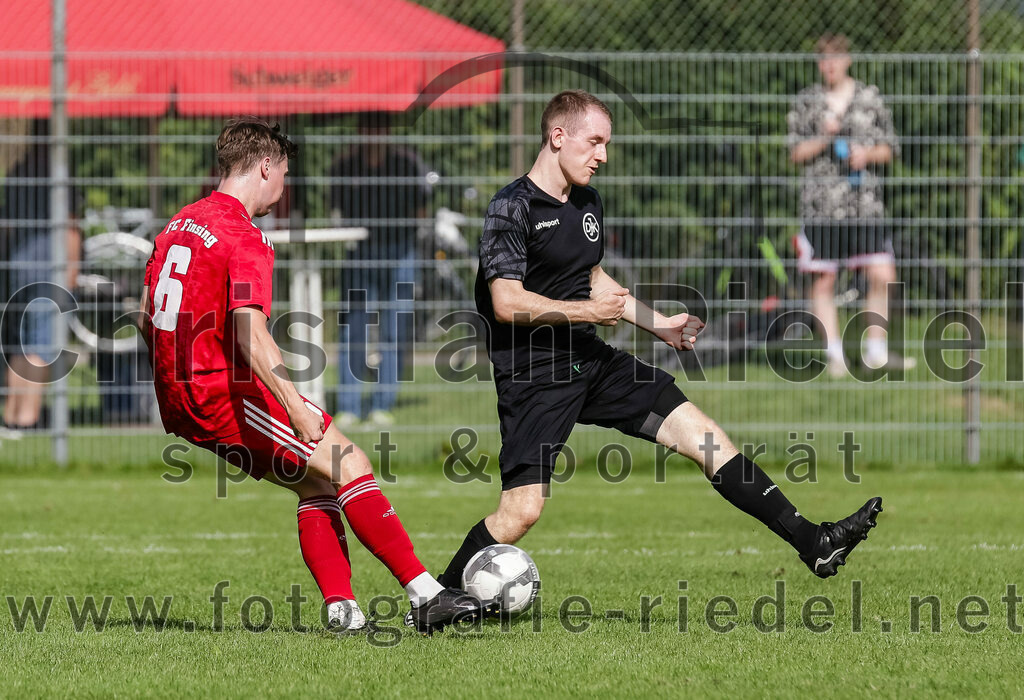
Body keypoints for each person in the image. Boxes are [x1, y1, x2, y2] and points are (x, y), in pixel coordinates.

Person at [436, 90, 883, 594]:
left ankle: (814, 541)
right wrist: (588, 313)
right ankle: (435, 601)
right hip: (535, 376)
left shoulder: (586, 202)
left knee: (704, 437)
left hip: (591, 362)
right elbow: (506, 301)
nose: (603, 155)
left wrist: (661, 325)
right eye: (595, 142)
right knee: (521, 512)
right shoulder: (511, 207)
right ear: (558, 137)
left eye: (607, 144)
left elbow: (593, 280)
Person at [138, 117, 478, 634]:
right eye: (283, 174)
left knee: (316, 482)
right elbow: (249, 330)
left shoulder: (178, 224)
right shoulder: (245, 236)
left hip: (180, 393)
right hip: (221, 393)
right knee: (349, 462)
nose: (284, 187)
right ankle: (426, 595)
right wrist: (294, 405)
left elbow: (147, 314)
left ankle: (343, 613)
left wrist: (174, 374)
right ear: (265, 167)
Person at [788, 33, 914, 376]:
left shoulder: (869, 98)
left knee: (883, 274)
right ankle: (835, 357)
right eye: (824, 59)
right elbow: (795, 152)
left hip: (864, 205)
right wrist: (824, 138)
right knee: (824, 281)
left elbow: (890, 148)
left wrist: (867, 154)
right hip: (822, 207)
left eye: (835, 57)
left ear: (848, 59)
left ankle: (876, 352)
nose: (830, 65)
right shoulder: (808, 101)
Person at [329, 111, 432, 427]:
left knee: (395, 328)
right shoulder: (344, 167)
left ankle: (382, 404)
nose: (373, 133)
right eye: (368, 127)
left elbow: (422, 210)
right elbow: (336, 209)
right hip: (359, 252)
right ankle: (348, 406)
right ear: (360, 131)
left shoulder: (407, 165)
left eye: (379, 127)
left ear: (387, 131)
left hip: (401, 252)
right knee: (353, 327)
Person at [1, 125, 80, 432]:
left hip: (19, 269)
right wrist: (71, 270)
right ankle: (27, 420)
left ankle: (11, 417)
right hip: (49, 271)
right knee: (43, 345)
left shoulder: (18, 172)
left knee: (22, 345)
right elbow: (70, 226)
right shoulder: (58, 173)